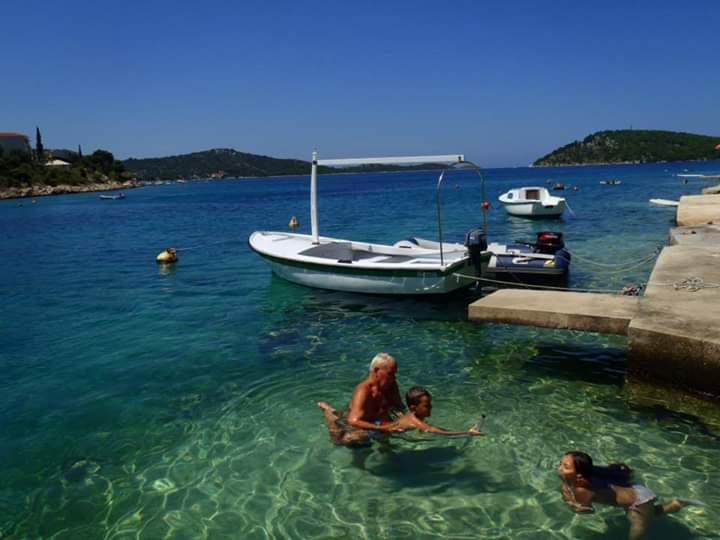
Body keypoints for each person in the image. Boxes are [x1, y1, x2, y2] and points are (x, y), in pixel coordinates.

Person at [558, 451, 701, 540]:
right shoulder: (584, 477)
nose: (559, 468)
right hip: (635, 491)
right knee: (651, 514)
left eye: (566, 467)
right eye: (561, 464)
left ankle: (677, 504)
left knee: (637, 531)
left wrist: (570, 502)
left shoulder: (582, 489)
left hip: (639, 501)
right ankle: (676, 504)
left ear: (579, 475)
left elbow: (586, 510)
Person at [318, 352, 406, 446]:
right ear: (376, 370)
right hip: (361, 424)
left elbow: (399, 406)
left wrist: (403, 420)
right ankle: (330, 415)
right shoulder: (363, 390)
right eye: (390, 374)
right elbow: (353, 420)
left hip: (379, 422)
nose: (394, 377)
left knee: (385, 440)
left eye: (394, 374)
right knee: (339, 441)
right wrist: (382, 428)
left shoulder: (392, 385)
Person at [386, 386, 483, 436]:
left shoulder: (411, 416)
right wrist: (467, 432)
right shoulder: (417, 423)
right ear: (413, 408)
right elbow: (439, 432)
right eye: (426, 406)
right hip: (384, 434)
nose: (431, 407)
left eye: (430, 404)